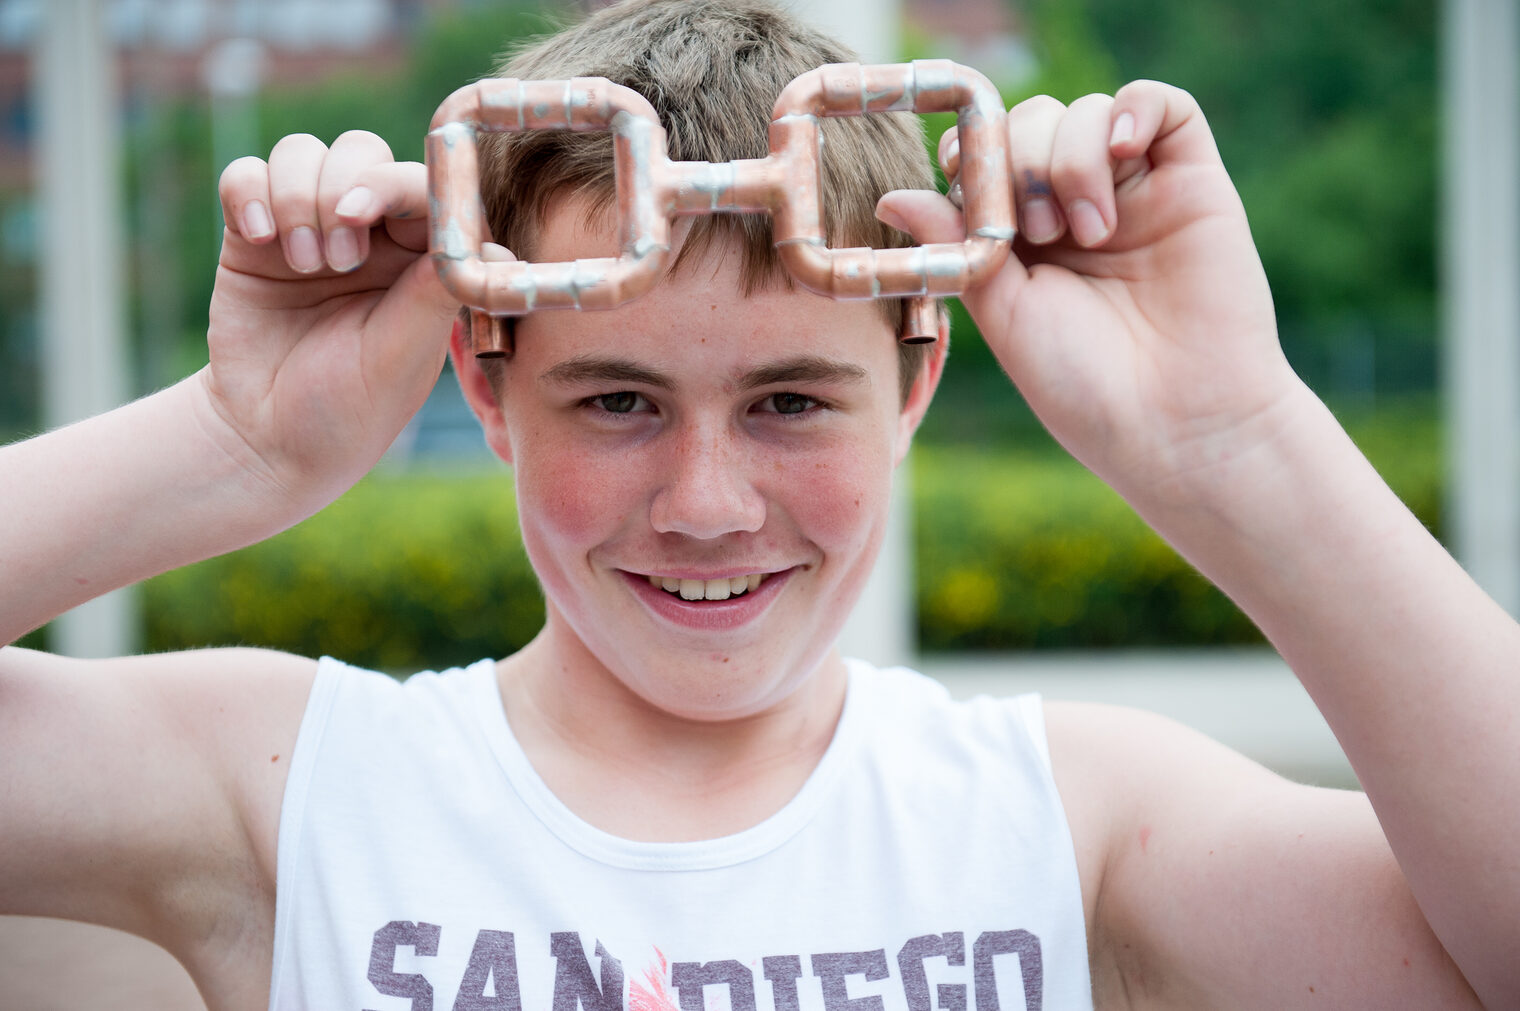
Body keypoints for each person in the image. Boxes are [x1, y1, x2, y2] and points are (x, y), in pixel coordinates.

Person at [2, 0, 1515, 1007]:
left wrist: (1239, 440)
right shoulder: (295, 796)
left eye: (791, 400)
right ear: (484, 386)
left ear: (914, 380)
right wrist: (230, 447)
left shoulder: (1074, 821)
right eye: (616, 401)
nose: (709, 504)